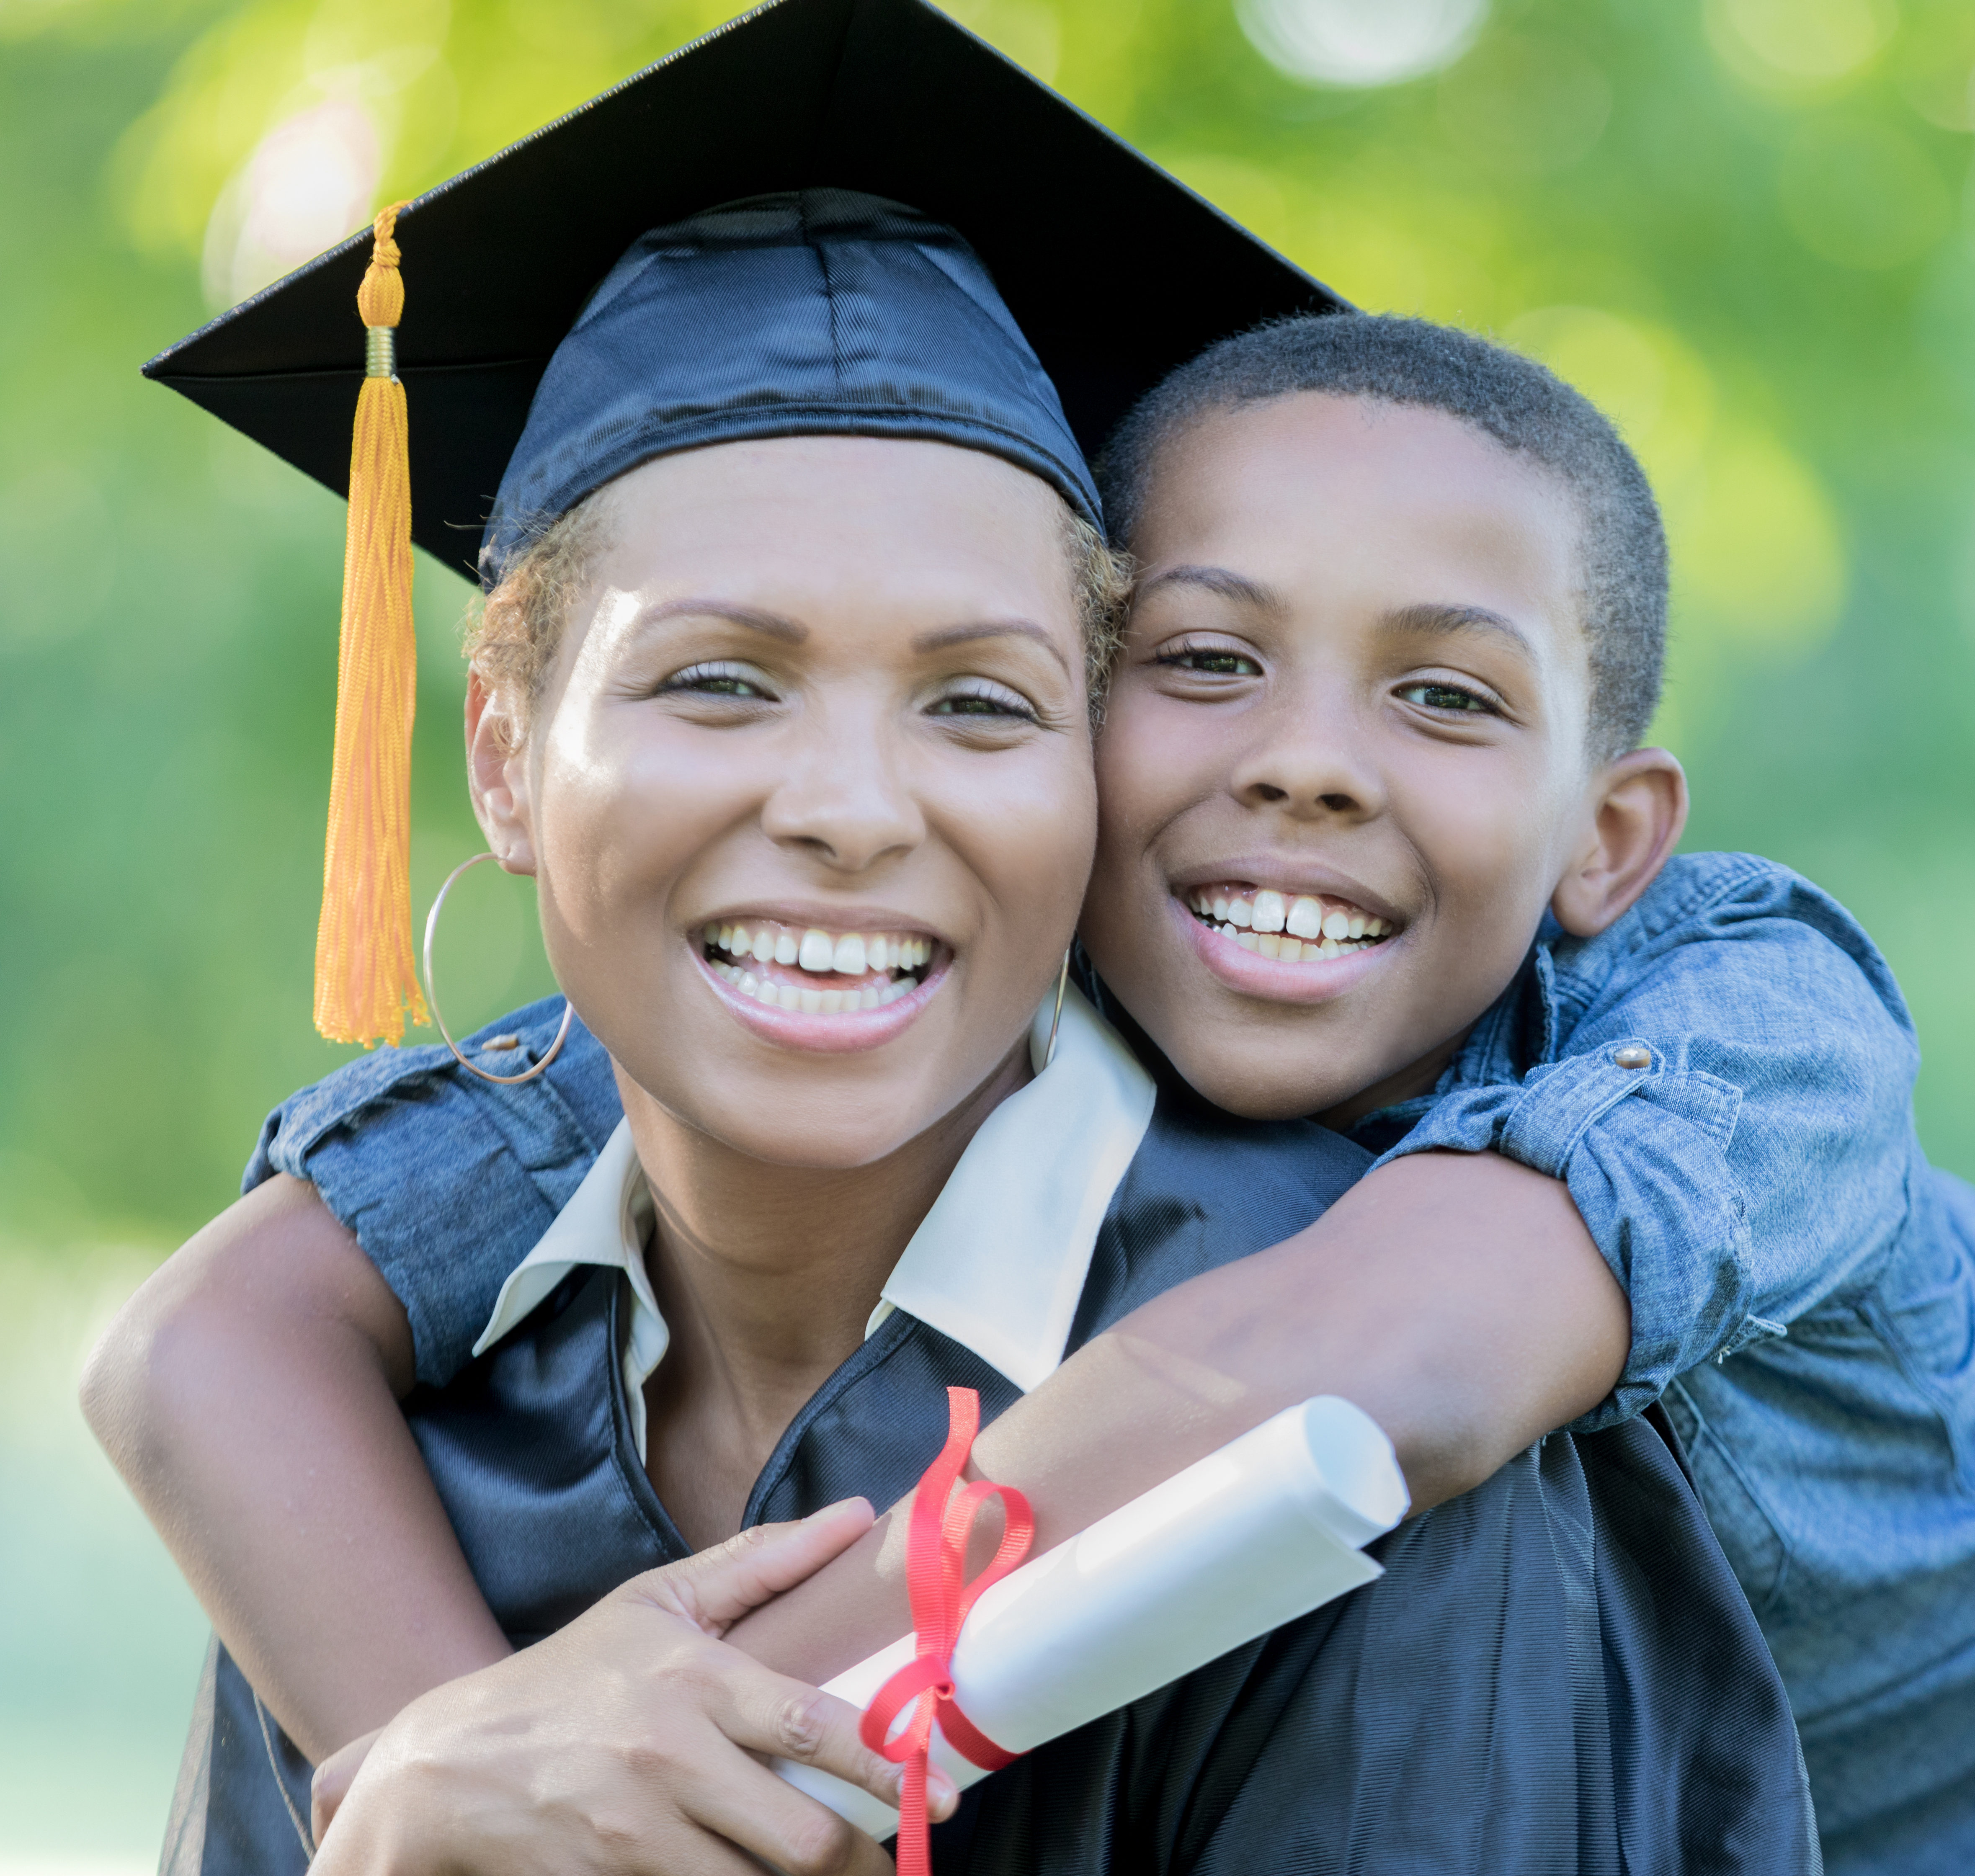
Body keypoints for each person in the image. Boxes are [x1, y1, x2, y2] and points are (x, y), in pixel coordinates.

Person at [94, 13, 1975, 1876]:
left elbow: (1358, 1379)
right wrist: (444, 1753)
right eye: (1202, 666)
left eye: (1443, 699)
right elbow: (210, 1334)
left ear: (1614, 828)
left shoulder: (1729, 1012)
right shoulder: (893, 967)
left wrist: (640, 1758)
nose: (1305, 763)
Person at [104, 11, 1821, 1873]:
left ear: (1094, 770)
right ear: (506, 758)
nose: (853, 807)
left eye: (981, 704)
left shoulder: (1343, 1467)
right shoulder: (372, 1451)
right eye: (718, 679)